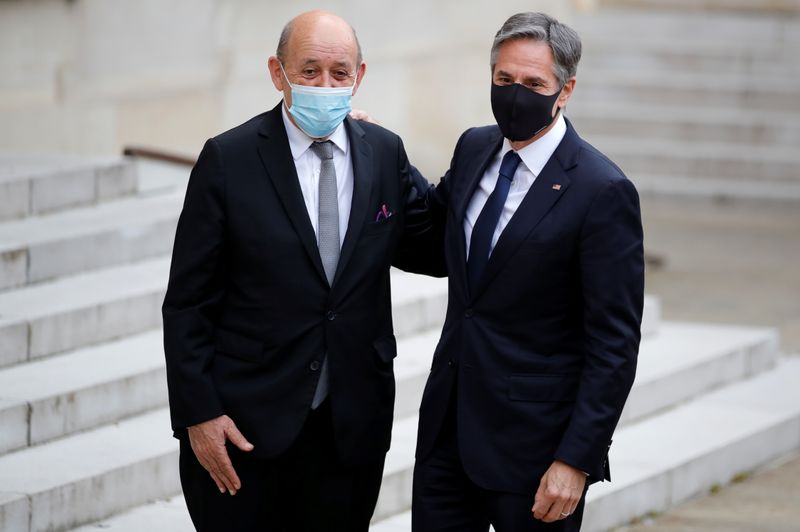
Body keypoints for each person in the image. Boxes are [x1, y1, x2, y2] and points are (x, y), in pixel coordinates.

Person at [162, 10, 430, 531]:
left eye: (339, 73)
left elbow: (433, 249)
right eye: (309, 71)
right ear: (277, 72)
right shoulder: (228, 159)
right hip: (245, 430)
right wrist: (198, 414)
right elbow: (188, 303)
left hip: (350, 430)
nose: (325, 85)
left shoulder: (382, 152)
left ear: (359, 76)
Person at [409, 12, 645, 532]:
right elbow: (431, 245)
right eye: (504, 79)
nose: (515, 95)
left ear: (565, 90)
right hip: (448, 436)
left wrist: (576, 459)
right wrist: (371, 154)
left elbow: (614, 343)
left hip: (537, 454)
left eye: (534, 84)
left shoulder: (602, 190)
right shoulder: (474, 147)